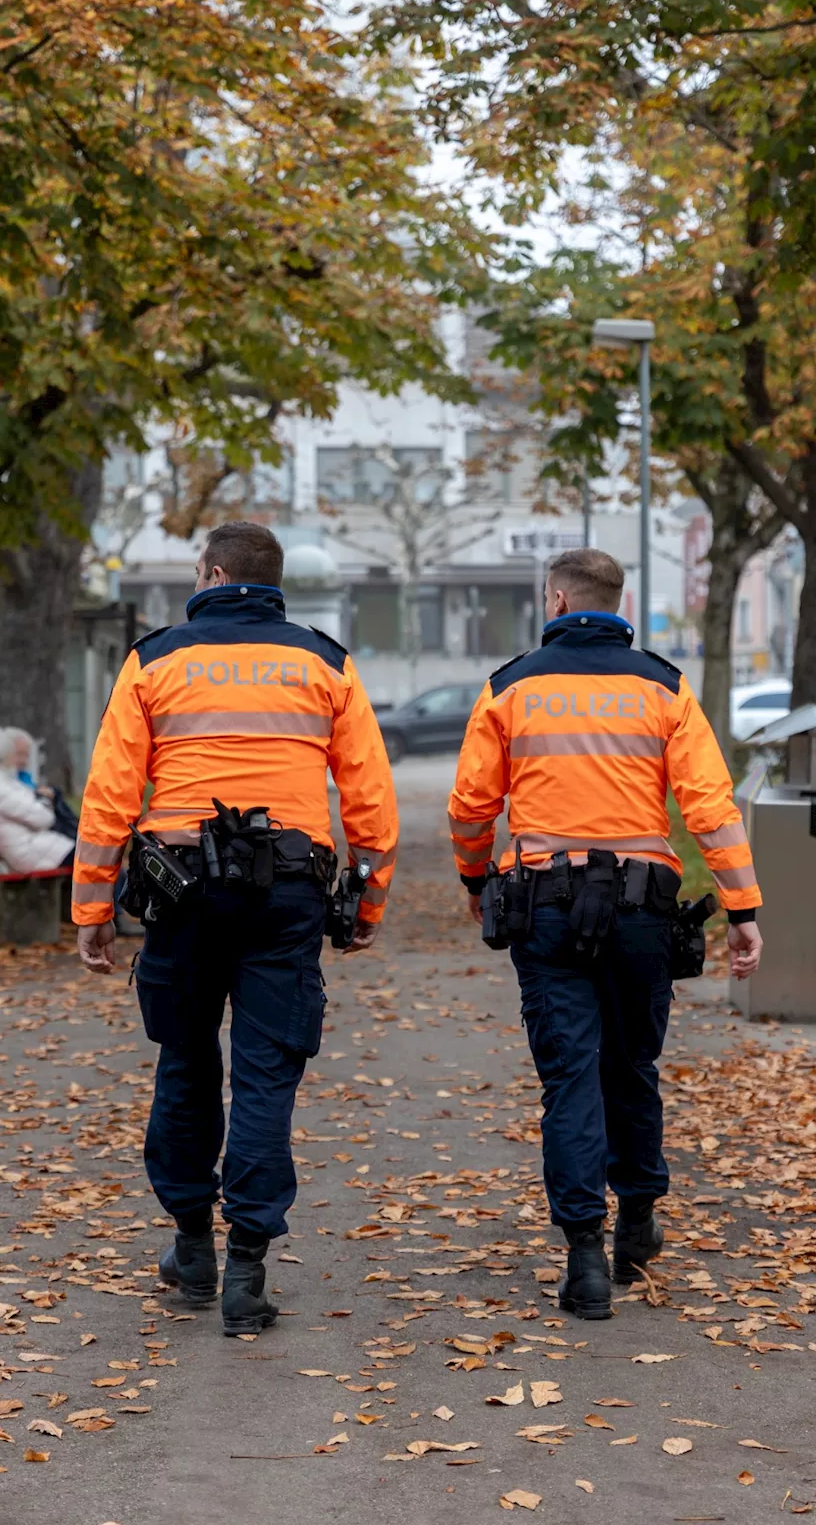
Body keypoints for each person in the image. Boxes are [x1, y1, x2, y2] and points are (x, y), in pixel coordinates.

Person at [72, 521, 398, 1337]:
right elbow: (369, 800)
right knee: (265, 1076)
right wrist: (369, 902)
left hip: (180, 890)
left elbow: (110, 793)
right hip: (285, 891)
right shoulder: (324, 661)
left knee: (185, 1062)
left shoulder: (155, 659)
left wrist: (91, 910)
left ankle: (191, 1247)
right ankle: (247, 1268)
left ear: (213, 573)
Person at [447, 547, 763, 1320]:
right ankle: (639, 1220)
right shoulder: (664, 686)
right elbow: (710, 808)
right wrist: (744, 910)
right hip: (640, 909)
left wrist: (475, 879)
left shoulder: (511, 684)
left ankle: (584, 1257)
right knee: (632, 1065)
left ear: (556, 599)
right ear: (618, 603)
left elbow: (468, 806)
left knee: (569, 1077)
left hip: (546, 909)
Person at [0, 727, 77, 872]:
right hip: (31, 853)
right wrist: (45, 800)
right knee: (97, 861)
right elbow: (43, 818)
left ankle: (114, 894)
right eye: (14, 752)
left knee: (100, 861)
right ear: (3, 754)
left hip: (38, 848)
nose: (16, 758)